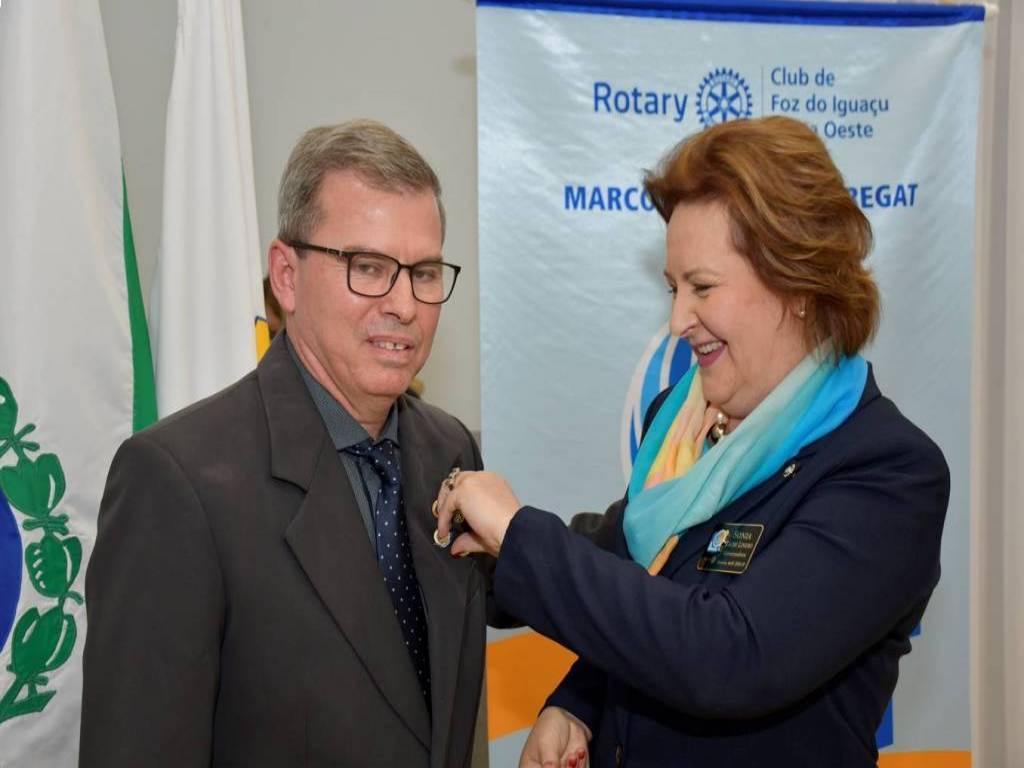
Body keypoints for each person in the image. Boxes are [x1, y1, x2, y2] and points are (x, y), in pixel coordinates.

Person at [434, 116, 950, 768]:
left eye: (702, 287)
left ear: (796, 283)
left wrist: (517, 534)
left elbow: (726, 654)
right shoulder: (681, 426)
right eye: (673, 289)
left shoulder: (888, 474)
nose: (678, 320)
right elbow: (636, 584)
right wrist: (578, 701)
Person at [81, 120, 488, 767]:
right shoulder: (177, 482)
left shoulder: (451, 452)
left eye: (425, 272)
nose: (405, 305)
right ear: (286, 276)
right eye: (369, 268)